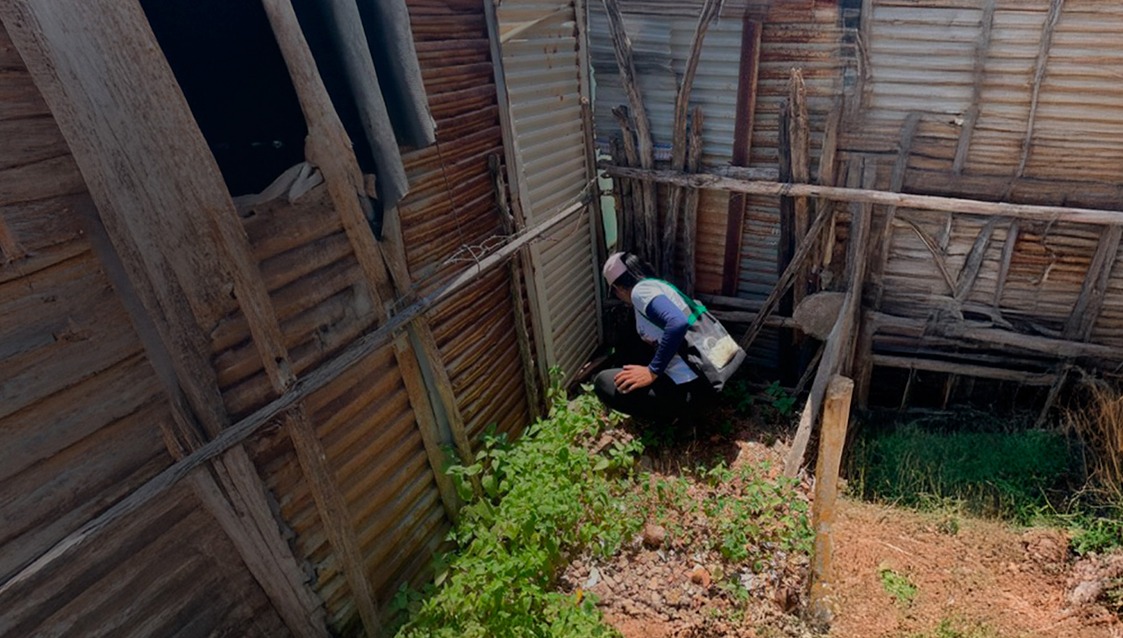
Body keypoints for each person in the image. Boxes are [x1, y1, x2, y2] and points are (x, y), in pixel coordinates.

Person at [594, 251, 712, 422]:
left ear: (618, 289)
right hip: (702, 381)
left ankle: (675, 418)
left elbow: (677, 323)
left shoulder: (640, 292)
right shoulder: (657, 285)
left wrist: (652, 371)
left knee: (603, 382)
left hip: (687, 392)